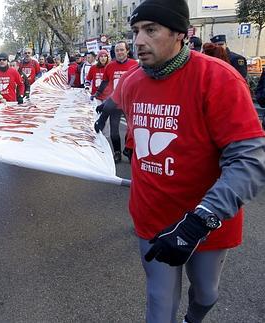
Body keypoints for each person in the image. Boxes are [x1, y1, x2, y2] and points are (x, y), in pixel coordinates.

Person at [99, 1, 265, 322]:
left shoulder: (219, 79)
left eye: (150, 30)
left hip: (206, 221)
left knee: (206, 293)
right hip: (152, 218)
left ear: (179, 34)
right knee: (159, 305)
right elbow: (120, 98)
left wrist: (200, 221)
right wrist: (107, 107)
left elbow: (249, 161)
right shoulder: (133, 81)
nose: (138, 42)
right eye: (135, 32)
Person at [93, 40, 138, 162]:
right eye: (117, 50)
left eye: (122, 50)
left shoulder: (135, 64)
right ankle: (117, 152)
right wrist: (97, 94)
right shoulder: (110, 66)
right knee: (114, 131)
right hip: (114, 104)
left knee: (133, 131)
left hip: (130, 105)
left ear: (127, 51)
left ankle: (130, 151)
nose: (119, 52)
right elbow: (105, 82)